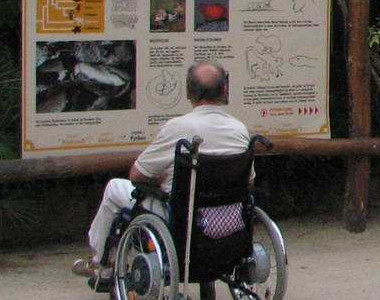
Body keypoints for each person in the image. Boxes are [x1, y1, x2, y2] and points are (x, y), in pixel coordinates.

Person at [73, 61, 251, 276]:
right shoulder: (239, 129)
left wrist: (159, 179)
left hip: (179, 217)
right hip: (229, 219)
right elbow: (248, 180)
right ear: (225, 91)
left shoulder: (179, 128)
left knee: (114, 188)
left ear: (189, 92)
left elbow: (137, 175)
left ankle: (102, 262)